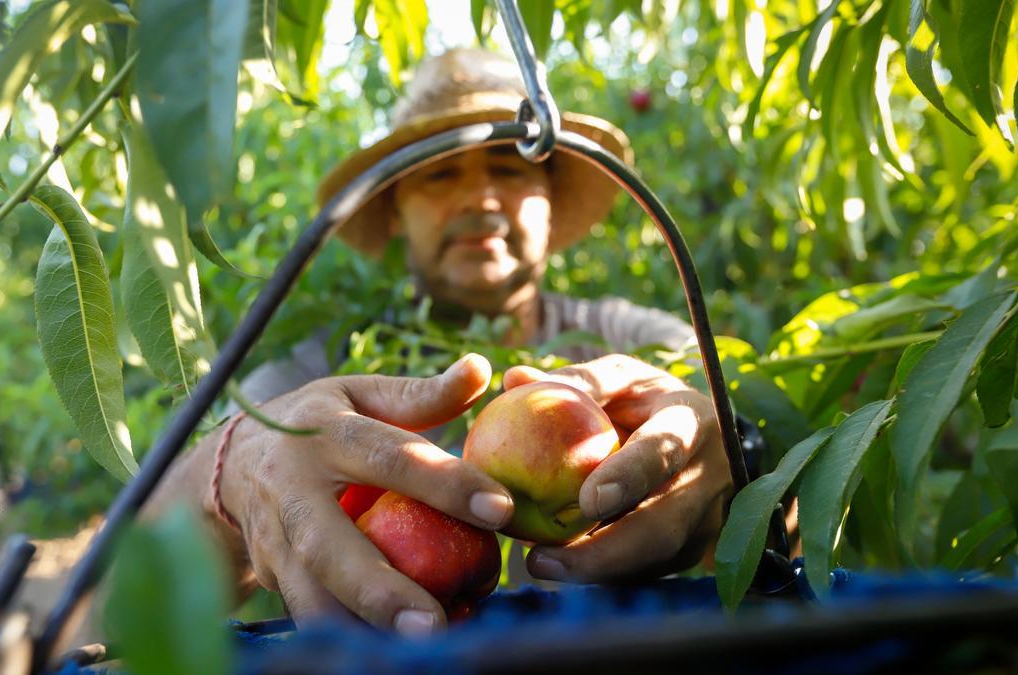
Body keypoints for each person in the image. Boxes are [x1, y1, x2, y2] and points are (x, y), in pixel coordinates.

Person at [150, 49, 733, 637]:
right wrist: (227, 481)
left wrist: (738, 458)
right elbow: (116, 592)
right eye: (441, 172)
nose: (480, 198)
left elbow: (780, 509)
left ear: (549, 201)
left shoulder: (641, 349)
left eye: (509, 167)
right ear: (397, 207)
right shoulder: (309, 382)